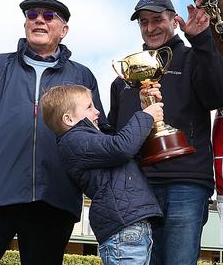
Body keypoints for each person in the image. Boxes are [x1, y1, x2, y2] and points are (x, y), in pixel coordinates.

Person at [0, 0, 108, 265]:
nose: (39, 19)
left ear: (63, 30)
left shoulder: (82, 76)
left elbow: (96, 133)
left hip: (54, 198)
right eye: (32, 15)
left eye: (49, 16)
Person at [107, 0, 223, 265]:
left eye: (157, 20)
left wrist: (201, 40)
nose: (151, 28)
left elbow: (220, 96)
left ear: (174, 21)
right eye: (143, 22)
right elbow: (114, 132)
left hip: (186, 184)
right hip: (138, 187)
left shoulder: (194, 57)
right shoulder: (126, 77)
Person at [41, 84, 164, 265]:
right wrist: (146, 115)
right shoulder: (75, 140)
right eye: (89, 107)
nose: (97, 111)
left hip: (131, 227)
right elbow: (122, 147)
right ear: (68, 119)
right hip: (124, 229)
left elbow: (127, 149)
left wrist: (146, 108)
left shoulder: (88, 139)